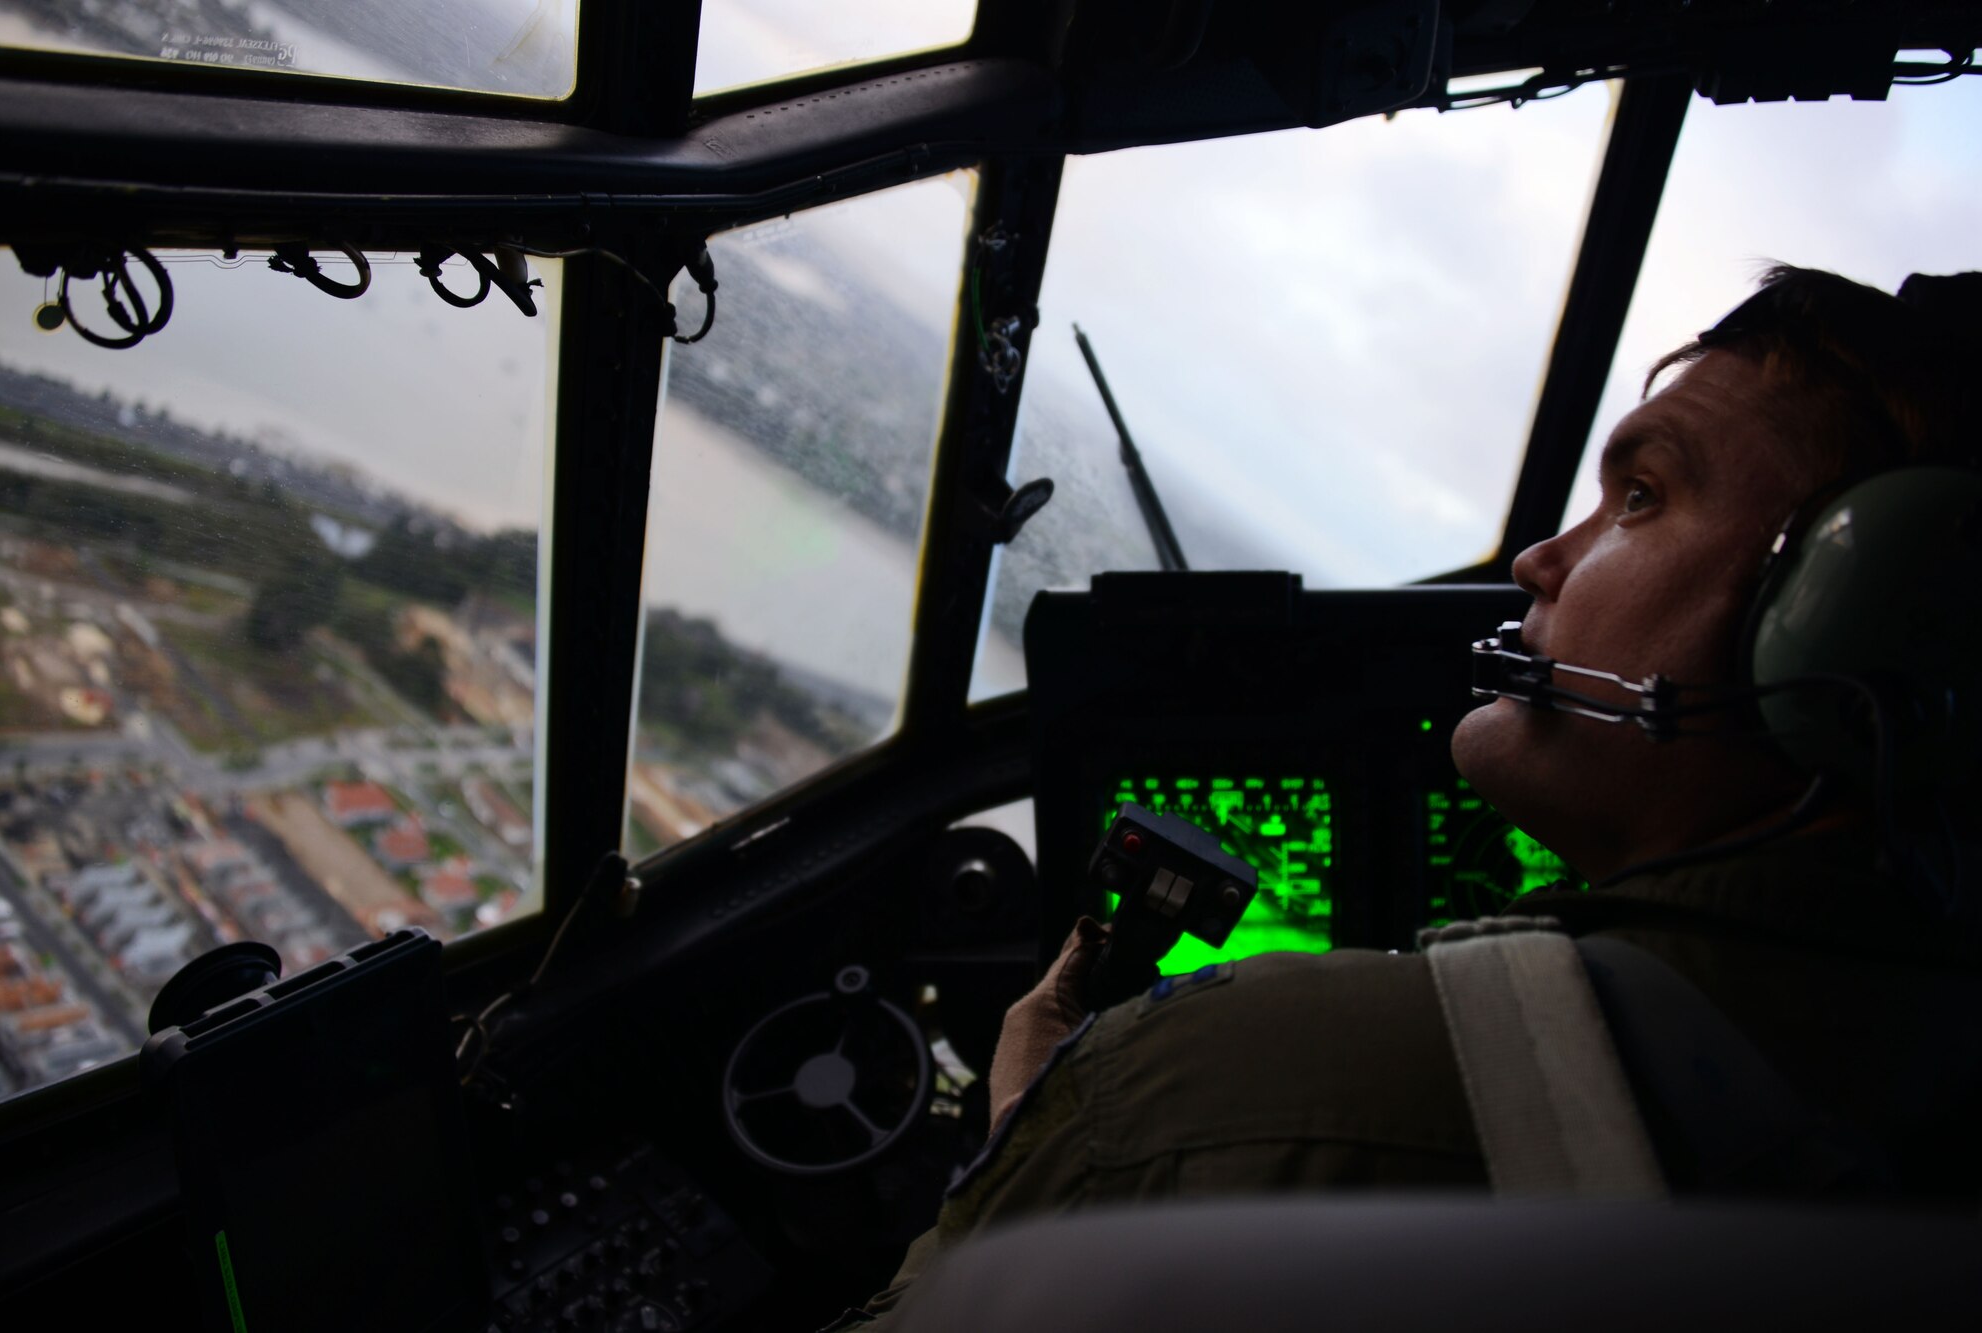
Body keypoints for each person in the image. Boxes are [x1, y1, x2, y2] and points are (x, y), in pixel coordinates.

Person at [830, 266, 1982, 1329]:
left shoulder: (1198, 1093)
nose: (1541, 557)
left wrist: (1034, 1142)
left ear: (1848, 615)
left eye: (1639, 495)